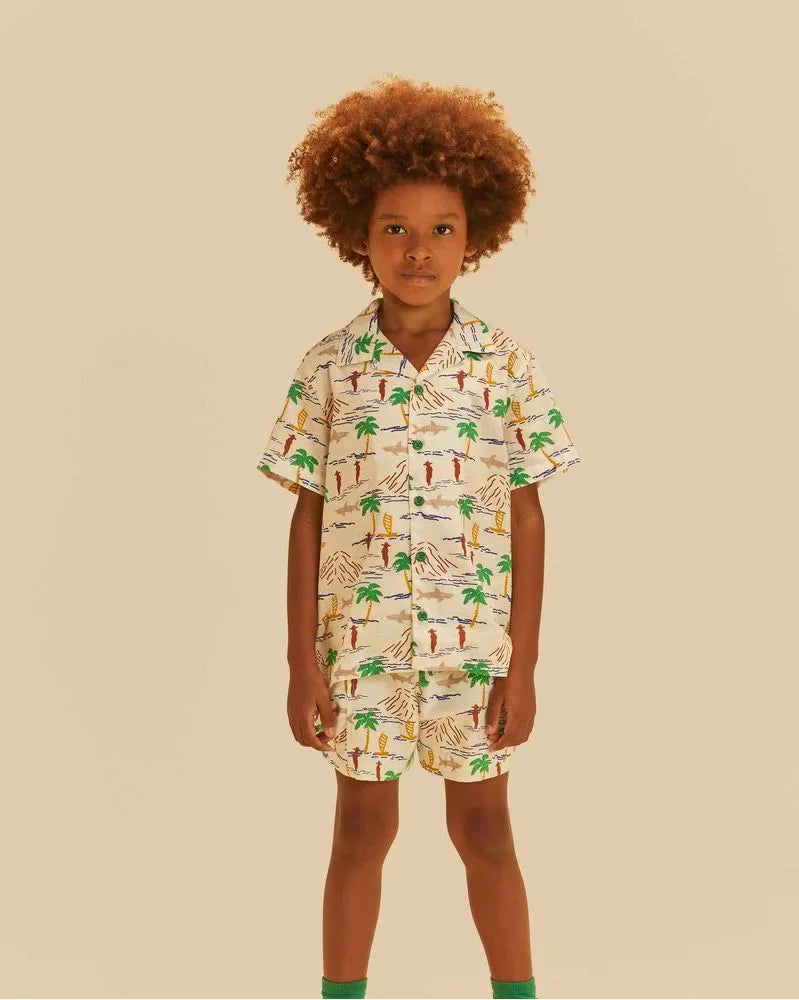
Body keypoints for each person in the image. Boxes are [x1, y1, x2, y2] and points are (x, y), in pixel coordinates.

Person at [255, 74, 581, 1000]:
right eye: (394, 227)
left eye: (442, 228)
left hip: (474, 652)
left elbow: (526, 512)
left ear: (475, 236)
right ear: (356, 236)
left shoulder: (504, 365)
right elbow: (306, 515)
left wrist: (522, 666)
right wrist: (301, 662)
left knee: (487, 833)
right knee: (361, 833)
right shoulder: (327, 367)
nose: (418, 249)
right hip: (358, 653)